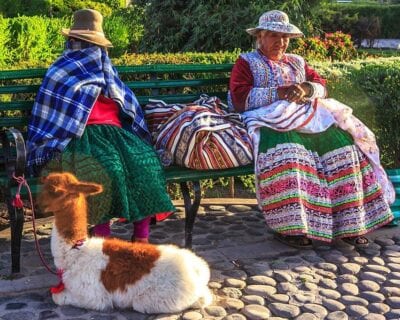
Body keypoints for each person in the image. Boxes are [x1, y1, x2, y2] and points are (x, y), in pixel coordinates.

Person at [228, 10, 395, 249]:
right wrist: (280, 92)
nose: (281, 42)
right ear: (260, 37)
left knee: (345, 148)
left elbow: (321, 87)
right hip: (270, 120)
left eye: (285, 37)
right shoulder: (247, 62)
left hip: (309, 117)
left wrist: (306, 88)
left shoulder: (297, 61)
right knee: (289, 155)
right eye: (274, 35)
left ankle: (351, 224)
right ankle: (292, 228)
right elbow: (239, 97)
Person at [26, 9, 175, 243]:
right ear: (72, 41)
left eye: (92, 44)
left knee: (145, 163)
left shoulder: (107, 70)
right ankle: (102, 240)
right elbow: (53, 114)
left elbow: (127, 105)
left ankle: (141, 239)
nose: (89, 50)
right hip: (77, 137)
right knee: (105, 168)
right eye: (83, 42)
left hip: (115, 134)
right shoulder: (60, 70)